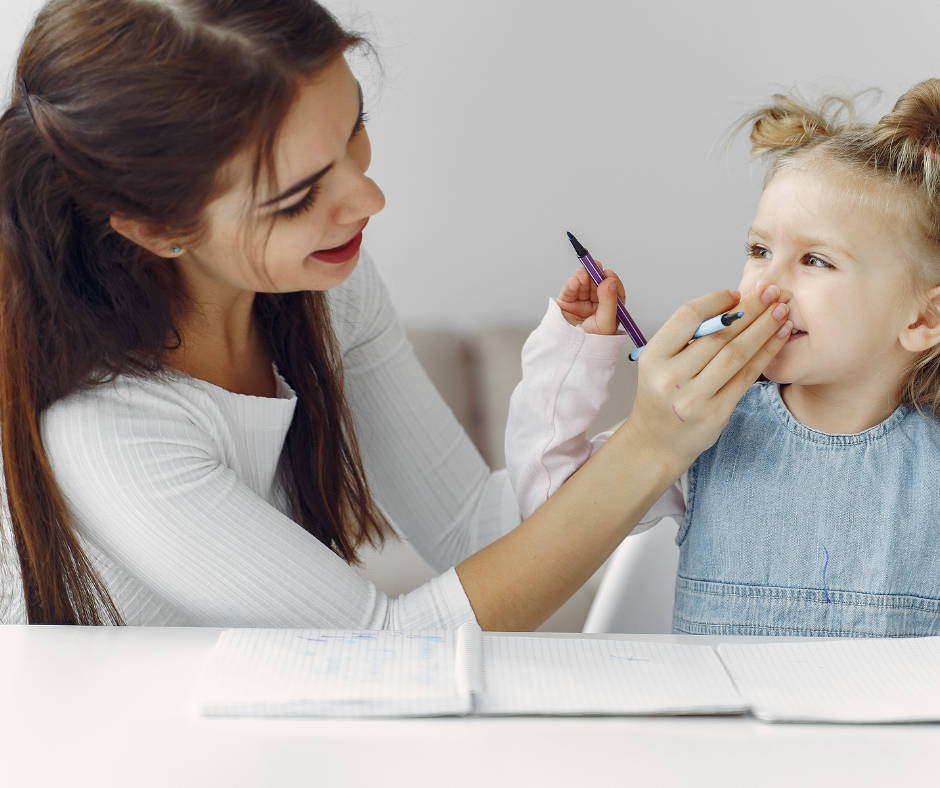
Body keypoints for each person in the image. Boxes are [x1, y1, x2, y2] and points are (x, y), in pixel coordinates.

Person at [0, 0, 790, 629]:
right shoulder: (105, 430)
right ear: (153, 227)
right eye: (298, 196)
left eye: (355, 131)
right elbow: (383, 653)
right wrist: (649, 445)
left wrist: (603, 393)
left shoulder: (325, 289)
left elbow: (475, 536)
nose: (368, 200)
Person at [506, 81, 940, 637]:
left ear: (923, 320)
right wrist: (575, 353)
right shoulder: (700, 427)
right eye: (759, 251)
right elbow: (546, 508)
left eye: (815, 260)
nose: (765, 287)